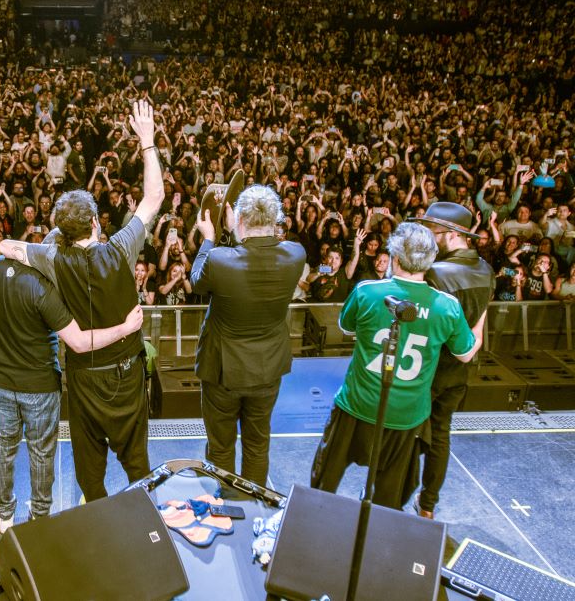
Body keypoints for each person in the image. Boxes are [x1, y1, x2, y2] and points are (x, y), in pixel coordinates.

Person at [0, 99, 164, 502]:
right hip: (126, 374)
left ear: (62, 229)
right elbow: (154, 197)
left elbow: (6, 246)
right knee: (137, 463)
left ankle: (97, 519)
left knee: (90, 471)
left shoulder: (52, 257)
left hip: (83, 377)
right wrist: (147, 140)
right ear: (95, 222)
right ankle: (144, 521)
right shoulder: (121, 247)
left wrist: (53, 237)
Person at [310, 223, 483, 509]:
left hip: (357, 404)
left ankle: (312, 519)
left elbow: (346, 326)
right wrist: (479, 327)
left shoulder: (368, 291)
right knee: (388, 498)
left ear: (396, 258)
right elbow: (465, 354)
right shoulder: (447, 306)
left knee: (324, 481)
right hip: (407, 415)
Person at [0, 255, 144, 534]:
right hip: (38, 385)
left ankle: (4, 516)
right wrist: (125, 328)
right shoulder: (43, 286)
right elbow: (79, 342)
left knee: (3, 448)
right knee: (41, 452)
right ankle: (40, 514)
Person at [190, 185, 306, 486]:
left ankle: (226, 503)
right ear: (276, 220)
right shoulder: (295, 254)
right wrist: (235, 231)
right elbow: (253, 255)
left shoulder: (218, 259)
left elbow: (197, 281)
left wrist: (209, 238)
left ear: (240, 218)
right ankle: (255, 502)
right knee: (257, 445)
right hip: (267, 369)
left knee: (221, 446)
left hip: (223, 371)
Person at [408, 202, 494, 519]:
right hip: (458, 371)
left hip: (426, 371)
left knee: (405, 436)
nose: (428, 239)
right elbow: (480, 320)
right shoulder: (486, 270)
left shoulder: (435, 273)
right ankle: (427, 506)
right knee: (440, 437)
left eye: (432, 232)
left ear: (452, 234)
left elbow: (420, 326)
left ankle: (391, 498)